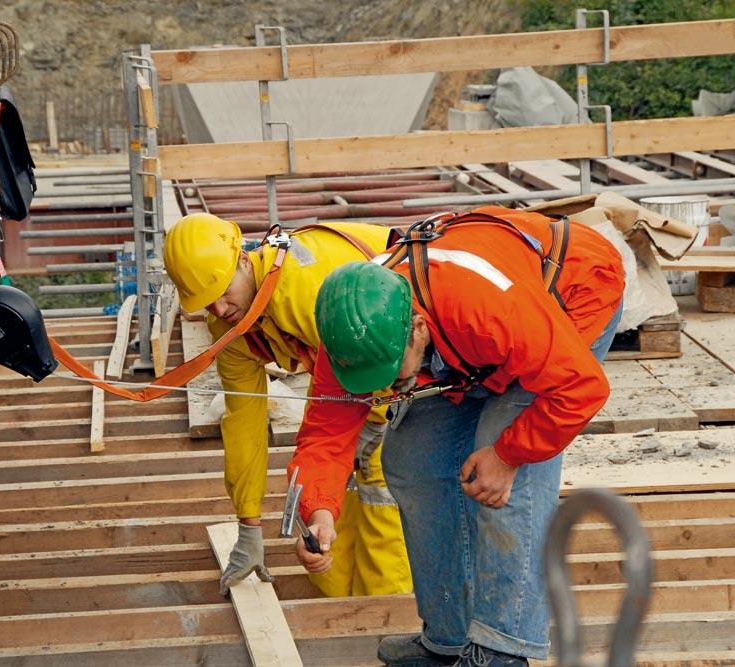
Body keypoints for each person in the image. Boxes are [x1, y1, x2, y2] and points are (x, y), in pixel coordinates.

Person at [287, 206, 625, 666]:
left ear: (419, 330)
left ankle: (504, 650)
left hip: (573, 293)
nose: (384, 390)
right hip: (471, 345)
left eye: (391, 375)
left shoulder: (486, 310)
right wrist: (320, 510)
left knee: (503, 469)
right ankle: (446, 641)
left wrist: (508, 455)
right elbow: (325, 433)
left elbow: (580, 387)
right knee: (412, 457)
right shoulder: (353, 333)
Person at [162, 212, 412, 597]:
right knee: (325, 495)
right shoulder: (232, 332)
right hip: (348, 380)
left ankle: (386, 613)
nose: (220, 309)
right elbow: (244, 423)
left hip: (402, 359)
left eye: (224, 292)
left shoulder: (306, 291)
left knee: (380, 479)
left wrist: (376, 420)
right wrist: (248, 525)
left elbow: (380, 354)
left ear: (244, 260)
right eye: (207, 303)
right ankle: (339, 610)